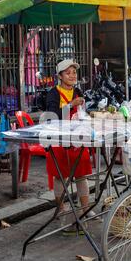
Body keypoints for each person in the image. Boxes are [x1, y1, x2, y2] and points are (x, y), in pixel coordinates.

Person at [45, 59, 96, 234]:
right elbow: (52, 117)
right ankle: (62, 209)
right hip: (58, 141)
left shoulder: (78, 91)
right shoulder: (53, 93)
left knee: (81, 176)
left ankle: (85, 209)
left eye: (74, 72)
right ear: (60, 76)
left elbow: (82, 114)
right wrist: (70, 105)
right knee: (60, 177)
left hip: (77, 140)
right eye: (68, 73)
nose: (72, 75)